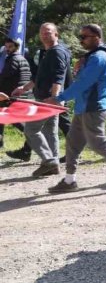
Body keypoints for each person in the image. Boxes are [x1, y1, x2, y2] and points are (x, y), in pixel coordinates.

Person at [43, 24, 106, 193]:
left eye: (84, 37)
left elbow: (83, 84)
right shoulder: (91, 57)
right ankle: (69, 181)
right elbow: (80, 80)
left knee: (98, 143)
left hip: (94, 108)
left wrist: (59, 99)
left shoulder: (99, 58)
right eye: (80, 37)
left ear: (97, 37)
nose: (81, 40)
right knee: (73, 142)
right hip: (83, 107)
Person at [8, 23, 70, 177]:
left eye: (48, 32)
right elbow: (39, 77)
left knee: (31, 130)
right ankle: (53, 164)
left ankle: (49, 161)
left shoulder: (57, 52)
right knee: (50, 132)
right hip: (45, 98)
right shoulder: (47, 52)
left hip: (48, 100)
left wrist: (55, 97)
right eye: (42, 32)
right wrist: (24, 88)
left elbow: (59, 76)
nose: (44, 35)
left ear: (56, 34)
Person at [0, 38, 31, 150]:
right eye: (6, 47)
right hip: (20, 93)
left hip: (11, 93)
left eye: (10, 47)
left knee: (14, 119)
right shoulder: (22, 58)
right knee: (2, 117)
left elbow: (5, 76)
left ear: (16, 47)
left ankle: (33, 136)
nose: (7, 49)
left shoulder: (13, 59)